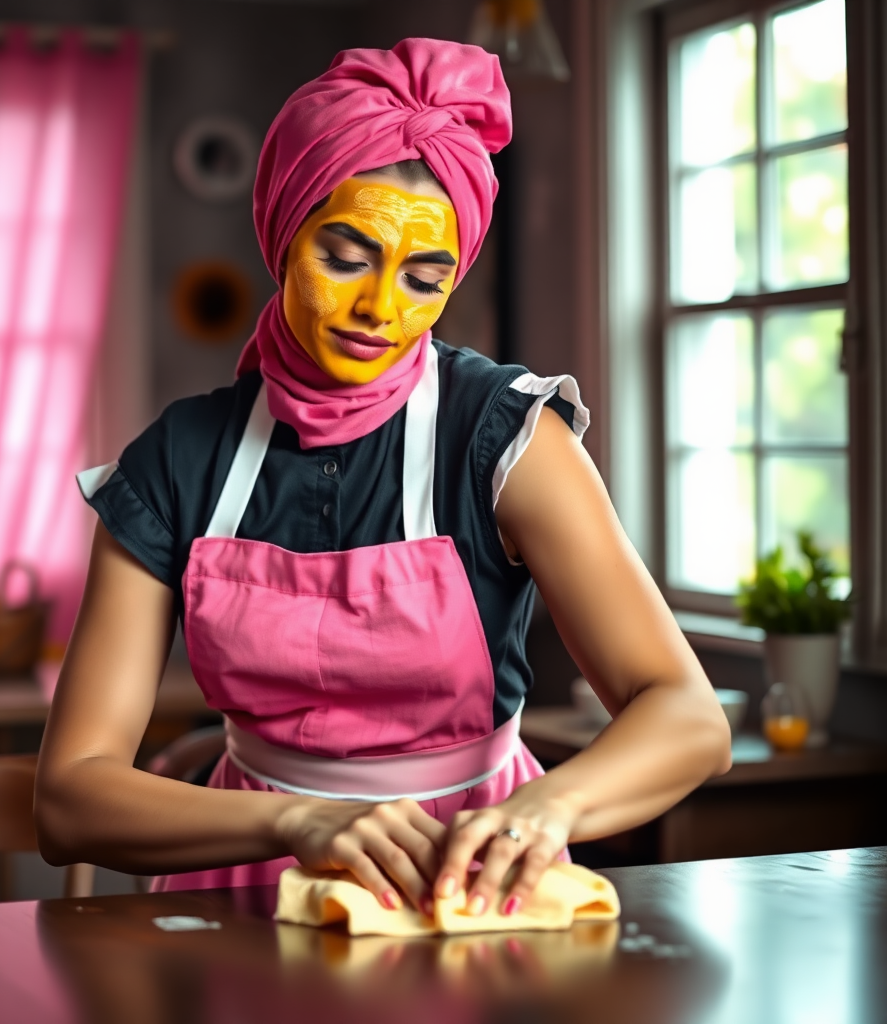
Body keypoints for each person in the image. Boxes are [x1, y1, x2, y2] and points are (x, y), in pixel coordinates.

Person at [35, 38, 731, 920]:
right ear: (284, 237)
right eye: (347, 258)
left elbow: (689, 718)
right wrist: (299, 820)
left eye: (425, 277)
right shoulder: (179, 461)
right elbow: (70, 799)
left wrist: (546, 807)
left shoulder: (506, 438)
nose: (381, 312)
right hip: (248, 891)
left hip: (470, 884)